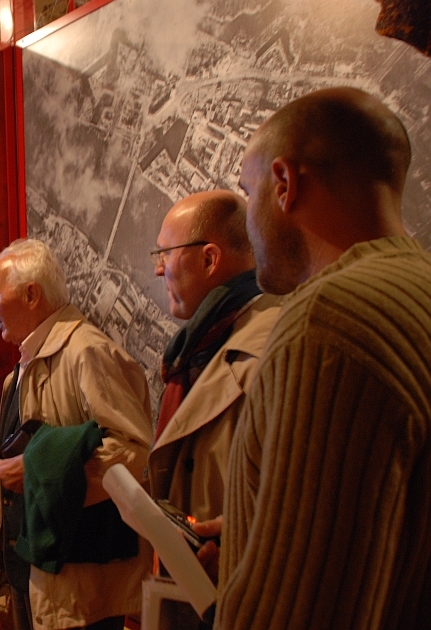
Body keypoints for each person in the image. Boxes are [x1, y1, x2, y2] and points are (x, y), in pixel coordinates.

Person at [214, 86, 431, 629]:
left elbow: (301, 613)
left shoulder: (329, 324)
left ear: (284, 184)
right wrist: (255, 535)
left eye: (249, 192)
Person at [0, 238, 154, 630]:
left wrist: (38, 469)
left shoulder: (88, 353)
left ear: (31, 295)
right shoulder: (22, 371)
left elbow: (134, 450)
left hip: (79, 587)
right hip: (36, 572)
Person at [146, 190, 281, 627]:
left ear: (209, 260)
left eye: (165, 252)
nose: (157, 268)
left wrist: (245, 545)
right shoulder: (197, 350)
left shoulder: (275, 352)